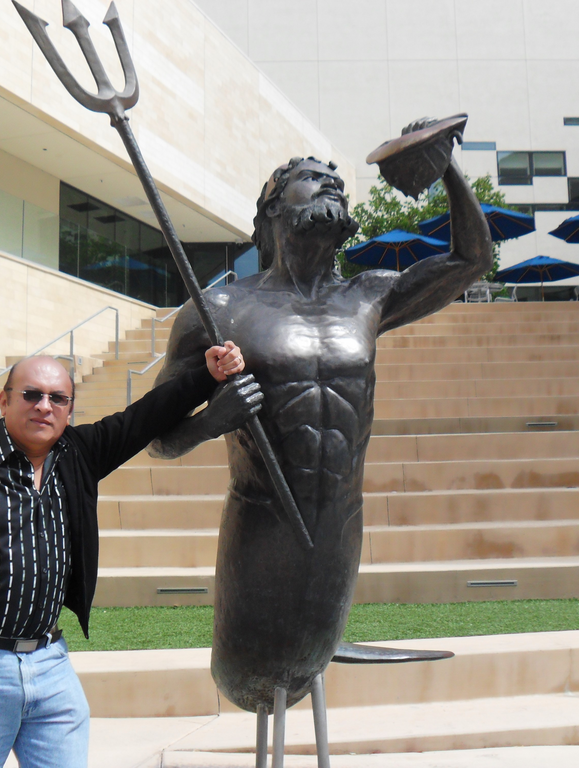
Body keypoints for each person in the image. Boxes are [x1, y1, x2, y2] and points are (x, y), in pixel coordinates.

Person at [147, 120, 492, 714]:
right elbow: (156, 439)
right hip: (263, 526)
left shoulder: (368, 295)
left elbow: (472, 258)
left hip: (340, 524)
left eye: (336, 181)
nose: (331, 185)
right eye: (311, 178)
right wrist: (212, 419)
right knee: (250, 675)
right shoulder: (221, 308)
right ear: (274, 208)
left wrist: (446, 166)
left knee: (309, 659)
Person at [0, 343, 262, 768]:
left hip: (50, 663)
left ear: (69, 409)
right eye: (31, 395)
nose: (44, 406)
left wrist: (207, 376)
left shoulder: (77, 455)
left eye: (57, 398)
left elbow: (142, 419)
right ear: (4, 401)